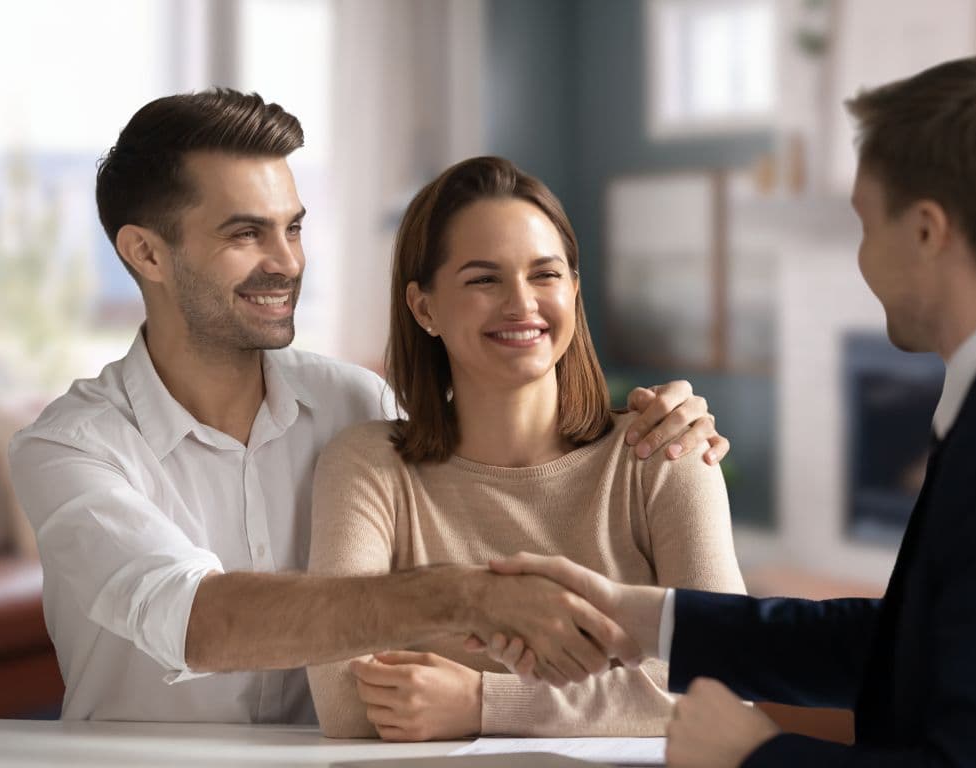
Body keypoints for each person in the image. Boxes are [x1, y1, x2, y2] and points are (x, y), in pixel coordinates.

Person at [7, 89, 729, 724]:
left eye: (292, 227)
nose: (288, 262)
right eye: (245, 233)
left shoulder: (354, 404)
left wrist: (666, 419)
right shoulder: (69, 448)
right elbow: (196, 622)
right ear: (146, 254)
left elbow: (498, 393)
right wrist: (468, 599)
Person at [485, 56, 976, 766]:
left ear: (927, 231)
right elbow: (912, 642)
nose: (860, 260)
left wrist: (755, 757)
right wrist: (640, 617)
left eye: (864, 225)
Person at [305, 156, 746, 741]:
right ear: (424, 307)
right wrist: (622, 693)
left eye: (545, 274)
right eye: (484, 279)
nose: (522, 303)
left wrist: (483, 702)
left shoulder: (662, 454)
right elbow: (345, 701)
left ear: (574, 289)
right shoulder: (368, 466)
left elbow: (728, 680)